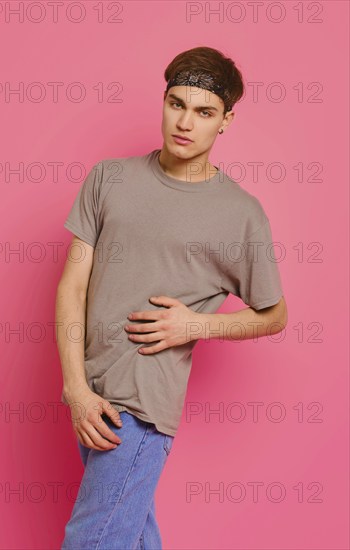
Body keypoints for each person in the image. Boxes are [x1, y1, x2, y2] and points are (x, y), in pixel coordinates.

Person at [56, 46, 288, 549]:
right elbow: (72, 286)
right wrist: (75, 387)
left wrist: (196, 325)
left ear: (226, 121)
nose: (186, 122)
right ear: (163, 102)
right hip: (91, 392)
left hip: (141, 406)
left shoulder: (240, 213)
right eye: (176, 104)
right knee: (133, 538)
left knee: (90, 542)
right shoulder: (108, 178)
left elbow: (274, 315)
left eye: (204, 112)